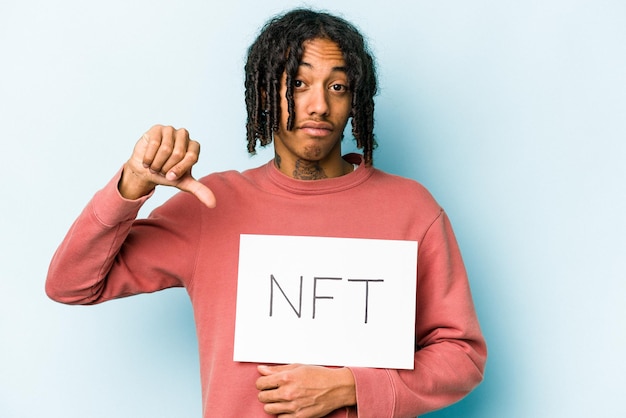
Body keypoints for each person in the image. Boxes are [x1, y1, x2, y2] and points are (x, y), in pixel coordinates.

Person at [46, 8, 486, 418]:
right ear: (264, 92)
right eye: (298, 83)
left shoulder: (410, 208)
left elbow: (461, 354)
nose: (318, 105)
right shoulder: (212, 204)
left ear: (355, 99)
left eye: (337, 86)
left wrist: (351, 386)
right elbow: (72, 285)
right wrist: (131, 185)